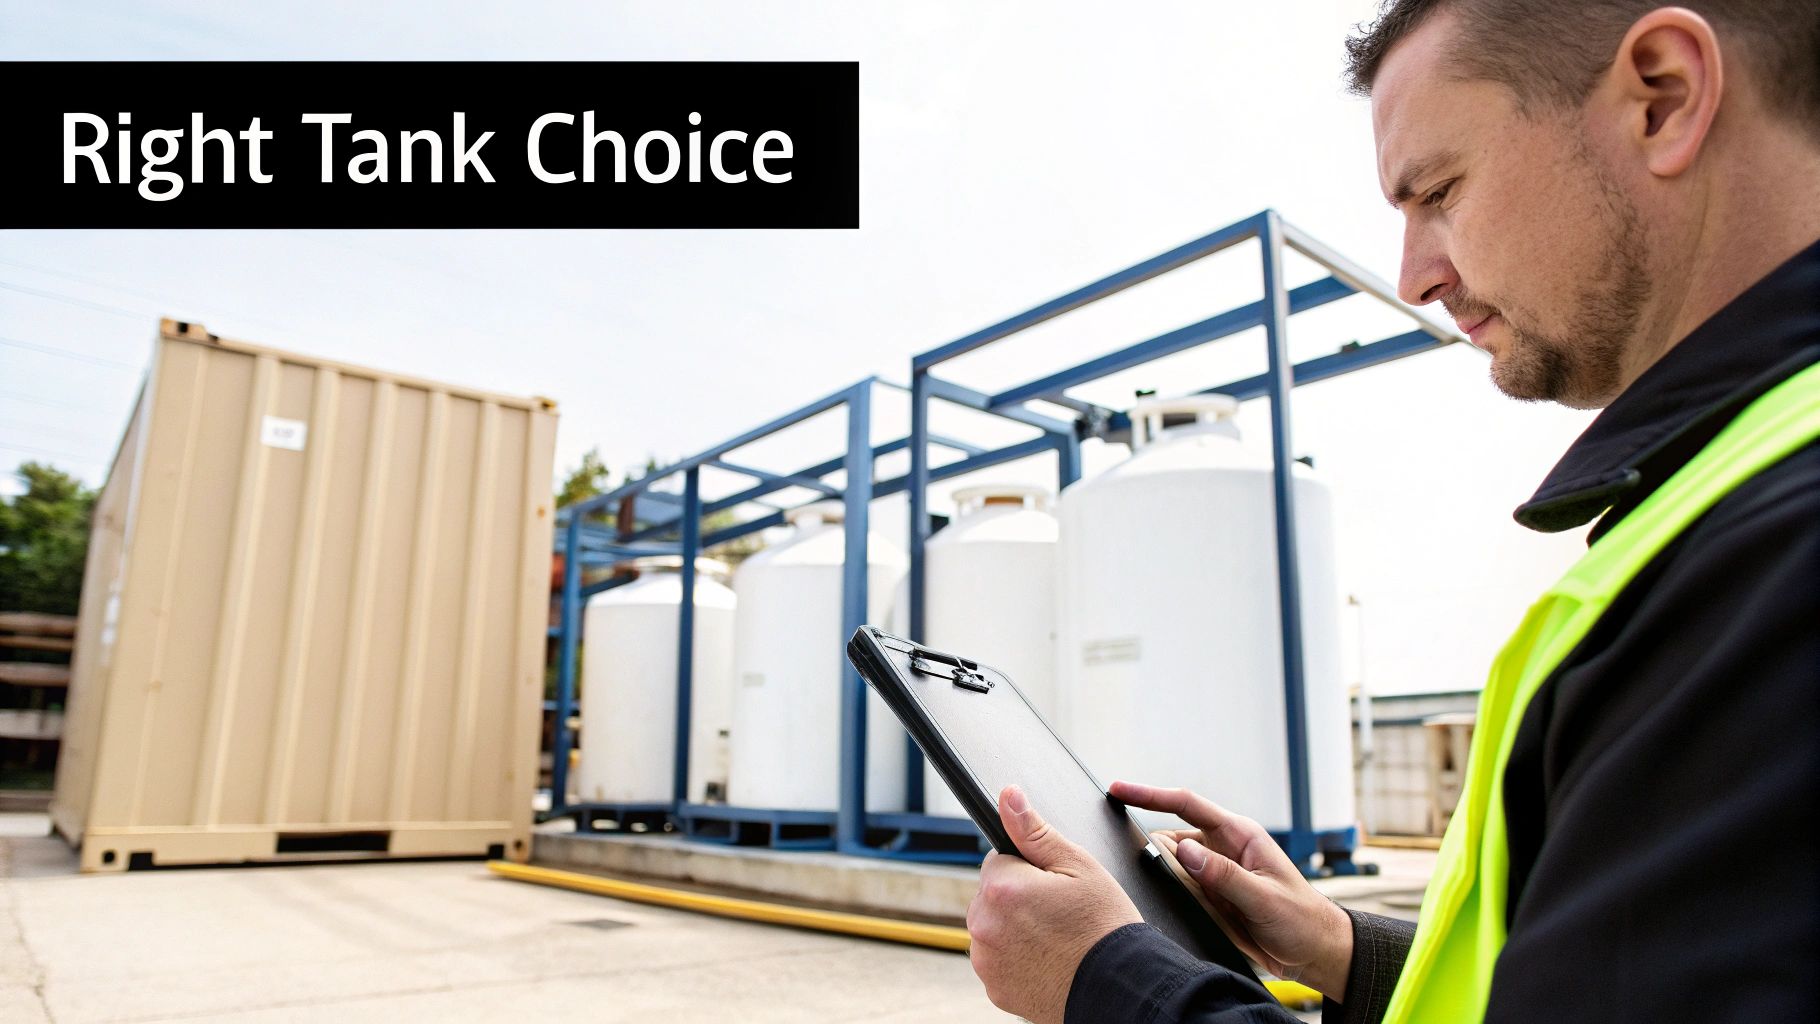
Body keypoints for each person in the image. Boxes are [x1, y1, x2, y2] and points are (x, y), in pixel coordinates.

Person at [963, 1, 1820, 1021]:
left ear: (1662, 99)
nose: (1416, 273)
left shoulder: (1774, 559)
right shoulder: (1731, 503)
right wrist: (1342, 949)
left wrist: (1108, 981)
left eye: (1439, 191)